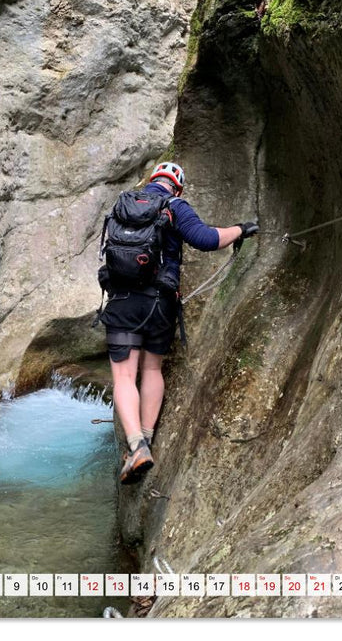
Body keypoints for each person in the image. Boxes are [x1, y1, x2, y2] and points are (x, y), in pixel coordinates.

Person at [97, 161, 259, 484]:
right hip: (160, 304)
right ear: (177, 186)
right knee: (153, 369)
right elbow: (207, 238)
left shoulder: (125, 205)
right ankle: (146, 439)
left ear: (154, 180)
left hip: (122, 302)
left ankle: (136, 447)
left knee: (125, 376)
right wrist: (241, 229)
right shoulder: (174, 206)